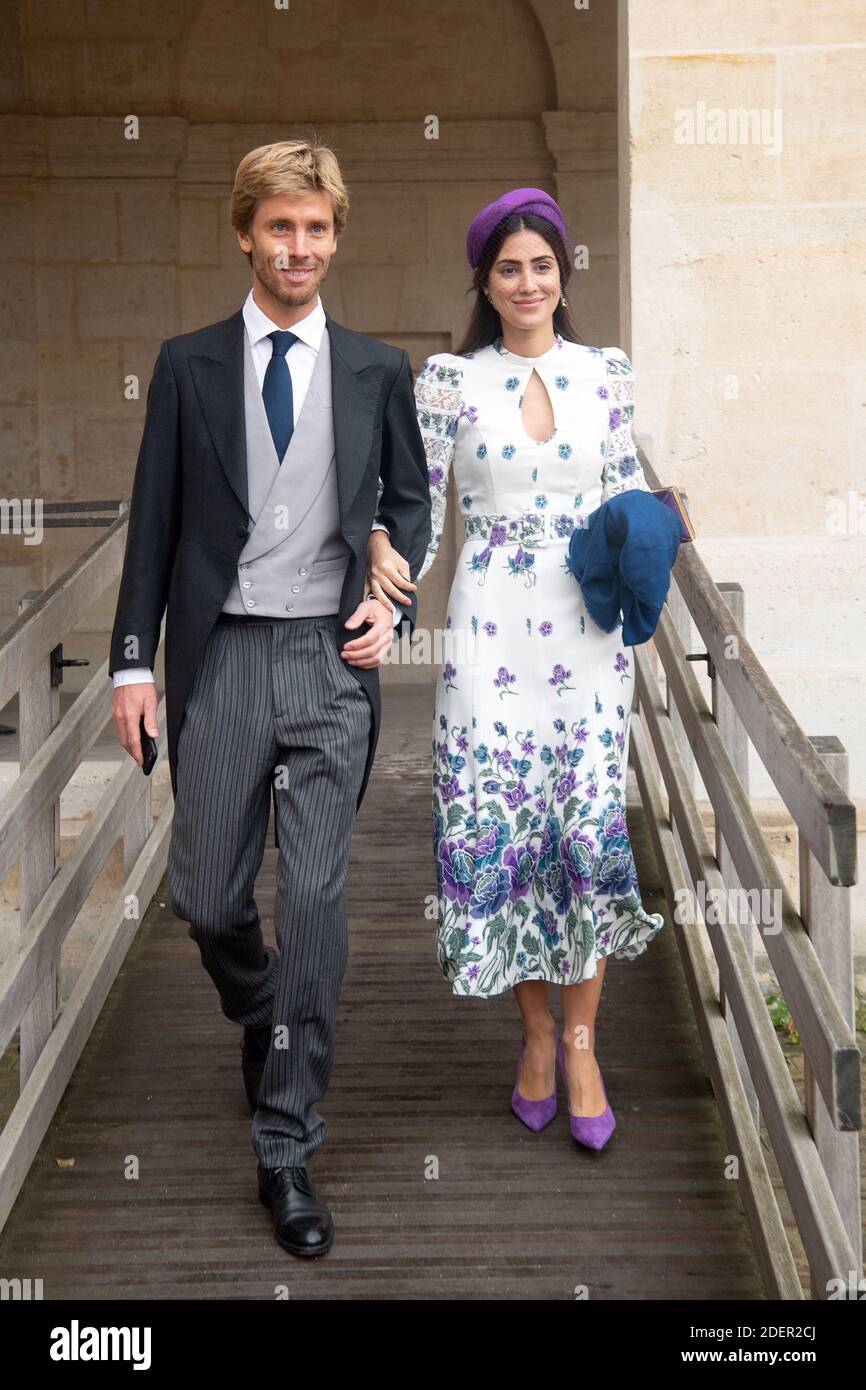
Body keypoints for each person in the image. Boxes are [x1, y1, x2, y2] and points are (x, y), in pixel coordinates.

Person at [109, 139, 431, 1256]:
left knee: (318, 908)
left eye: (318, 230)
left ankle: (286, 1146)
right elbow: (153, 525)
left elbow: (405, 498)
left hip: (331, 662)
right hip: (227, 657)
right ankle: (257, 1012)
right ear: (246, 233)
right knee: (203, 895)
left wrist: (394, 570)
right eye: (281, 227)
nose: (300, 248)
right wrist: (130, 664)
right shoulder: (189, 364)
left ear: (337, 239)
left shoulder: (376, 368)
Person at [367, 188, 665, 1152]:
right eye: (509, 268)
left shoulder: (606, 372)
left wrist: (666, 518)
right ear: (485, 283)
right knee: (506, 832)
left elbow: (627, 490)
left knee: (583, 831)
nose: (528, 282)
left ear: (563, 273)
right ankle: (534, 1034)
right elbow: (407, 501)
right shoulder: (451, 379)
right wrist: (380, 564)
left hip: (586, 635)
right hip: (489, 630)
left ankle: (583, 1045)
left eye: (543, 264)